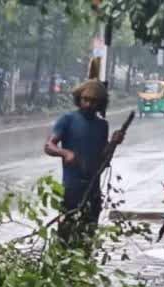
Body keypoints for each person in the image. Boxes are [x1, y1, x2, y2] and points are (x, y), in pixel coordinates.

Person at [43, 80, 124, 242]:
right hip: (71, 189)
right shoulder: (67, 120)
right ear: (79, 100)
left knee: (87, 236)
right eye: (85, 100)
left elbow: (103, 159)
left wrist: (114, 143)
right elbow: (49, 145)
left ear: (100, 104)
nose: (88, 104)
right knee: (66, 234)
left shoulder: (102, 125)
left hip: (93, 190)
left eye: (93, 102)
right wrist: (65, 153)